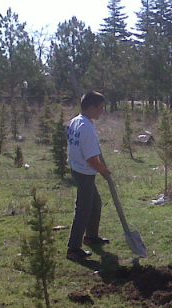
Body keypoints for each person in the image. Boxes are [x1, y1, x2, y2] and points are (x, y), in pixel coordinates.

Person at [65, 91, 112, 262]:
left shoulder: (74, 122)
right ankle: (73, 248)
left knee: (95, 204)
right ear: (92, 108)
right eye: (100, 108)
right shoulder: (87, 129)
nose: (102, 111)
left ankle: (91, 236)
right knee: (83, 209)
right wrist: (104, 171)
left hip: (77, 168)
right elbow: (92, 158)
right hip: (84, 171)